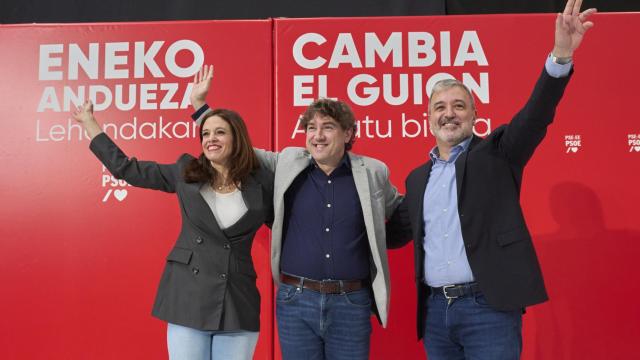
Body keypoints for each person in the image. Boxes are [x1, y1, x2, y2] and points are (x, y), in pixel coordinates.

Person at [386, 0, 596, 358]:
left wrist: (561, 55)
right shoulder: (418, 179)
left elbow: (535, 116)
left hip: (489, 309)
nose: (449, 114)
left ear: (473, 113)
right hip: (436, 314)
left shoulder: (499, 152)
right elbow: (391, 235)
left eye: (458, 105)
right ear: (428, 119)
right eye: (440, 107)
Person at [190, 67, 403, 360]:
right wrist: (200, 106)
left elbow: (401, 213)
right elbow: (238, 147)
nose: (317, 136)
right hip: (295, 301)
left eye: (327, 127)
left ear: (348, 133)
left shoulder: (374, 172)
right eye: (311, 128)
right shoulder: (289, 161)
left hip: (351, 304)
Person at [71, 98, 274, 360]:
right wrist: (90, 123)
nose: (210, 138)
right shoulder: (185, 172)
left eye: (220, 132)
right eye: (205, 133)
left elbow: (288, 226)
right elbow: (127, 169)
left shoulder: (263, 183)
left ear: (238, 140)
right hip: (188, 296)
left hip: (238, 299)